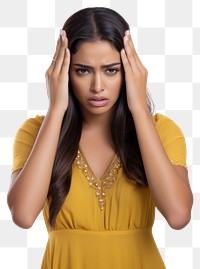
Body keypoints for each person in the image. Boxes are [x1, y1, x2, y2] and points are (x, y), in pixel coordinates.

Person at [7, 7, 193, 269]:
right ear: (63, 72)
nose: (97, 86)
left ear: (130, 71)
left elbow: (178, 216)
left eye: (111, 70)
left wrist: (139, 108)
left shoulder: (162, 130)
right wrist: (56, 110)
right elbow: (23, 216)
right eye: (82, 71)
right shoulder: (35, 132)